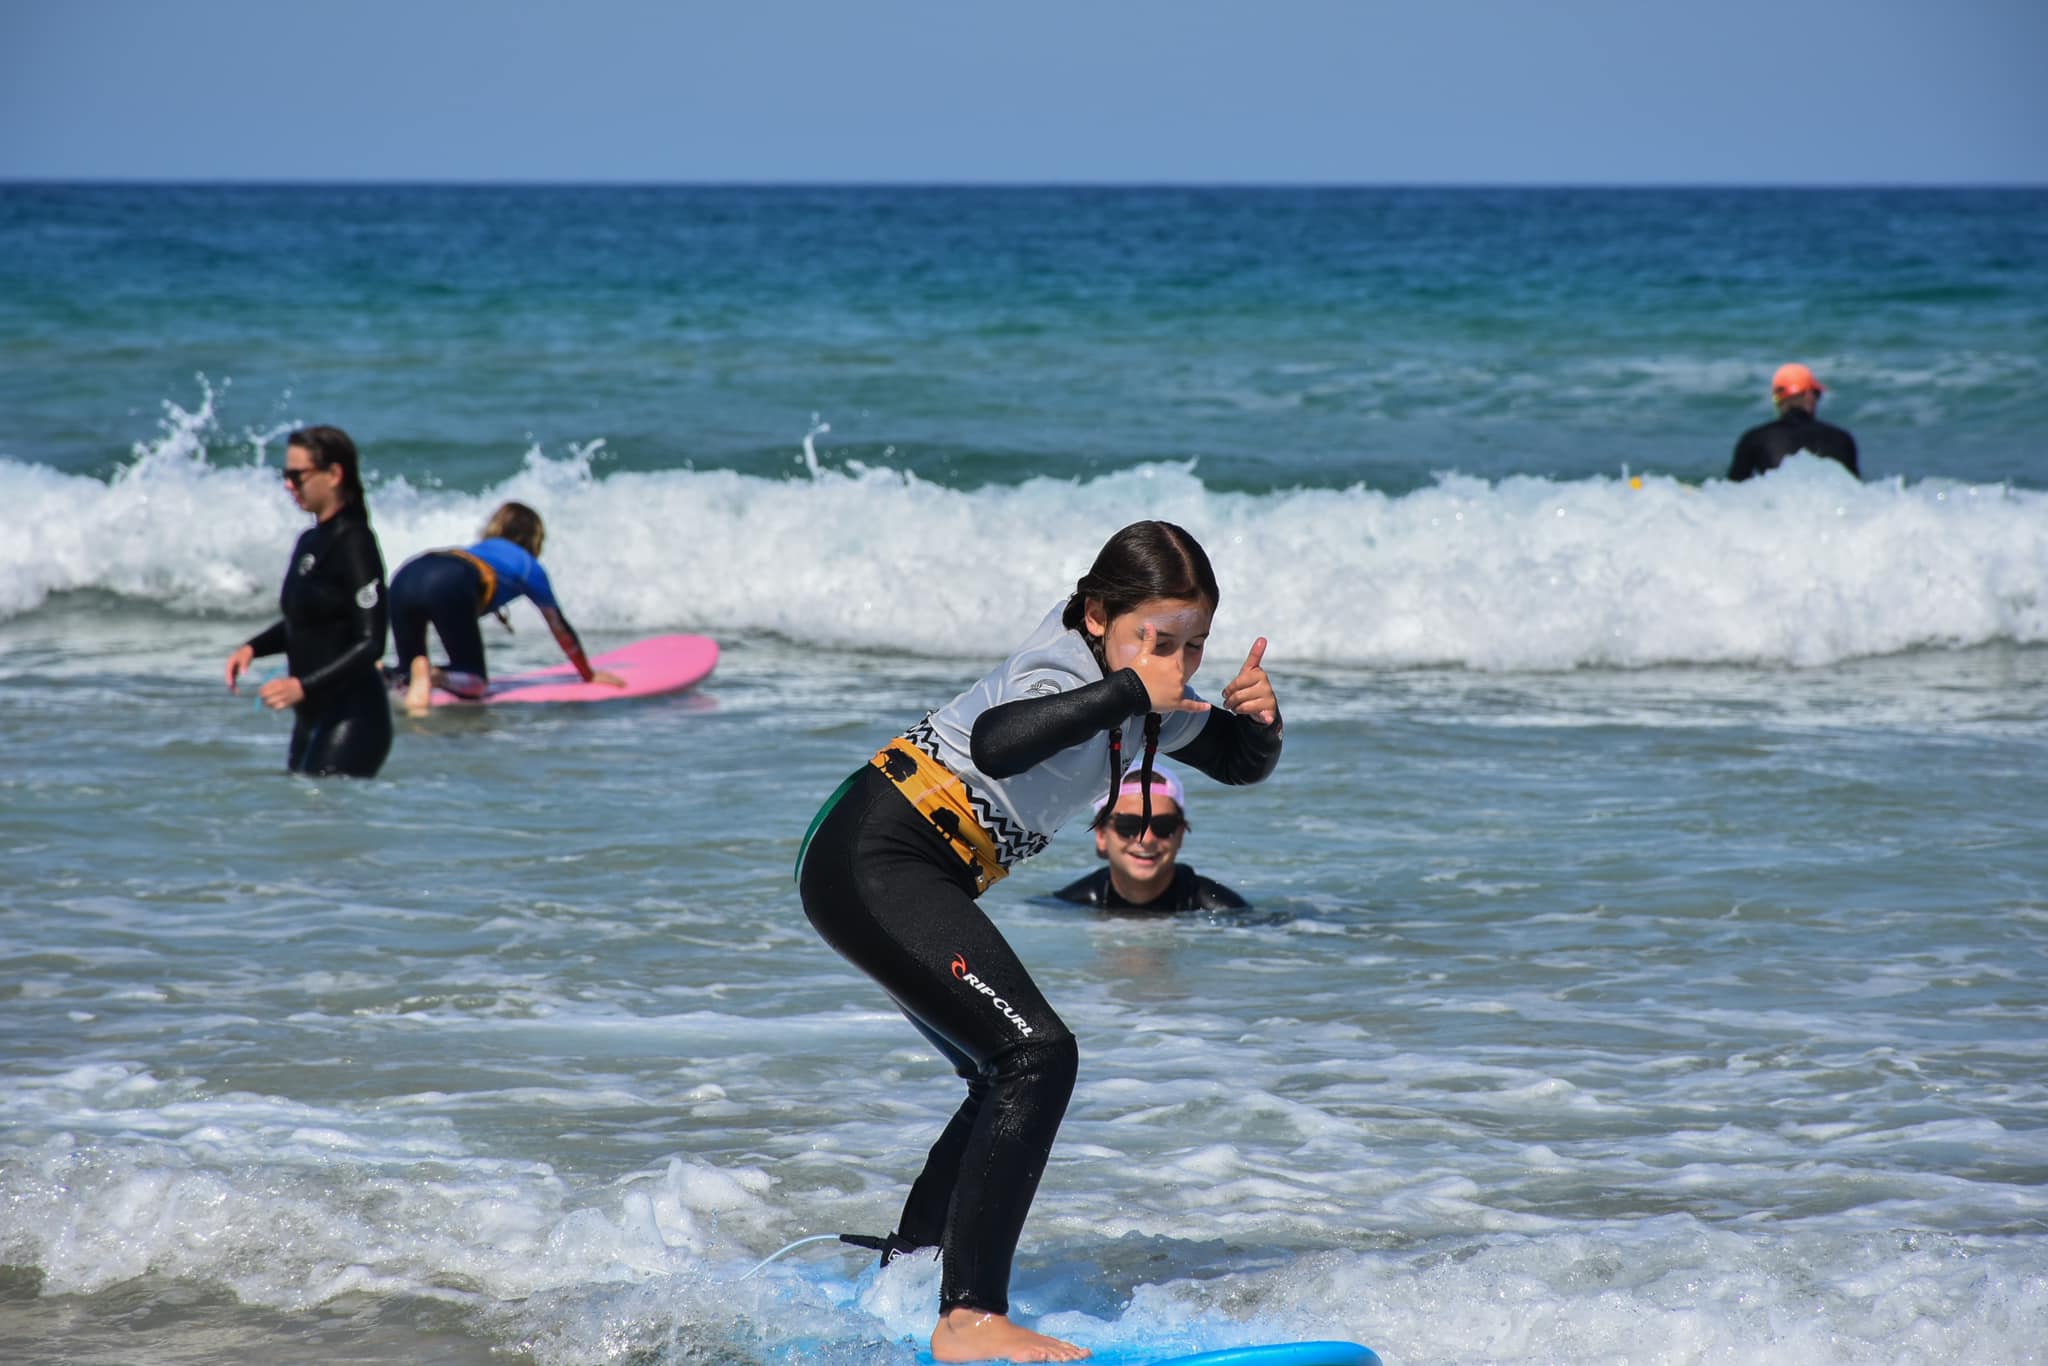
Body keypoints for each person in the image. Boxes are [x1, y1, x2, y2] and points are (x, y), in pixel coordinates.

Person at [795, 520, 1281, 1364]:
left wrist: (1262, 725)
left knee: (1001, 1069)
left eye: (1195, 645)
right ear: (1096, 616)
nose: (1177, 663)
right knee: (1036, 1057)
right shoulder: (1060, 667)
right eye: (1158, 640)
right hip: (874, 852)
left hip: (905, 868)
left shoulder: (1144, 697)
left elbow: (1237, 761)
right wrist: (1131, 690)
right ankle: (969, 1317)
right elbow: (999, 741)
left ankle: (911, 1274)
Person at [224, 425, 393, 778]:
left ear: (334, 474)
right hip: (311, 715)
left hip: (354, 717)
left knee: (323, 804)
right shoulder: (309, 541)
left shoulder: (355, 542)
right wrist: (253, 648)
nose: (288, 485)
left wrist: (301, 686)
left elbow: (371, 643)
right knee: (299, 807)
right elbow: (307, 621)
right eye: (285, 475)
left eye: (297, 476)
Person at [385, 501, 622, 712]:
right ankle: (434, 675)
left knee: (405, 675)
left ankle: (383, 674)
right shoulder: (528, 566)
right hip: (450, 579)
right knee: (475, 681)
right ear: (535, 538)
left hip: (406, 575)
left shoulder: (482, 550)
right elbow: (558, 626)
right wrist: (588, 674)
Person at [1052, 765, 1247, 912]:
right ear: (1101, 835)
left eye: (1163, 826)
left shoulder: (1225, 912)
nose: (1146, 839)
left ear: (1180, 835)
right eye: (1128, 825)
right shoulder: (1065, 907)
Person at [1728, 363, 1860, 482]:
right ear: (1809, 396)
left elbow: (1732, 490)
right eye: (1817, 394)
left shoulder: (1754, 439)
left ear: (1778, 400)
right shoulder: (1842, 439)